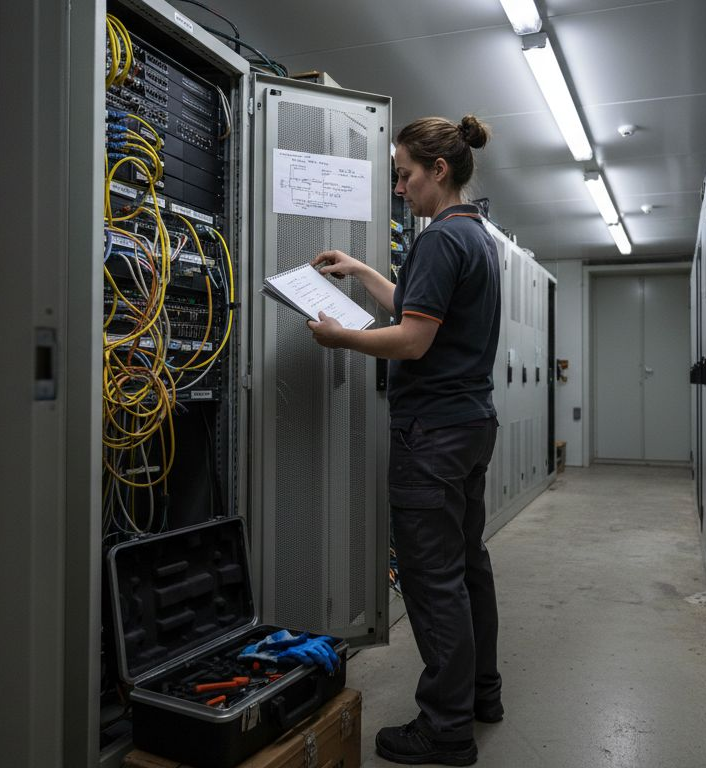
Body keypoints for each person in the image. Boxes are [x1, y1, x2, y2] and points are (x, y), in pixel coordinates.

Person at [306, 114, 501, 766]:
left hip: (434, 435)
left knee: (432, 581)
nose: (400, 187)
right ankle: (481, 695)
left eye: (405, 174)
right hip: (470, 424)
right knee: (467, 568)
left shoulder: (442, 239)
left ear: (438, 171)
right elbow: (420, 307)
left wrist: (343, 339)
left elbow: (413, 339)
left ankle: (444, 729)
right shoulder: (473, 234)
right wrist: (363, 269)